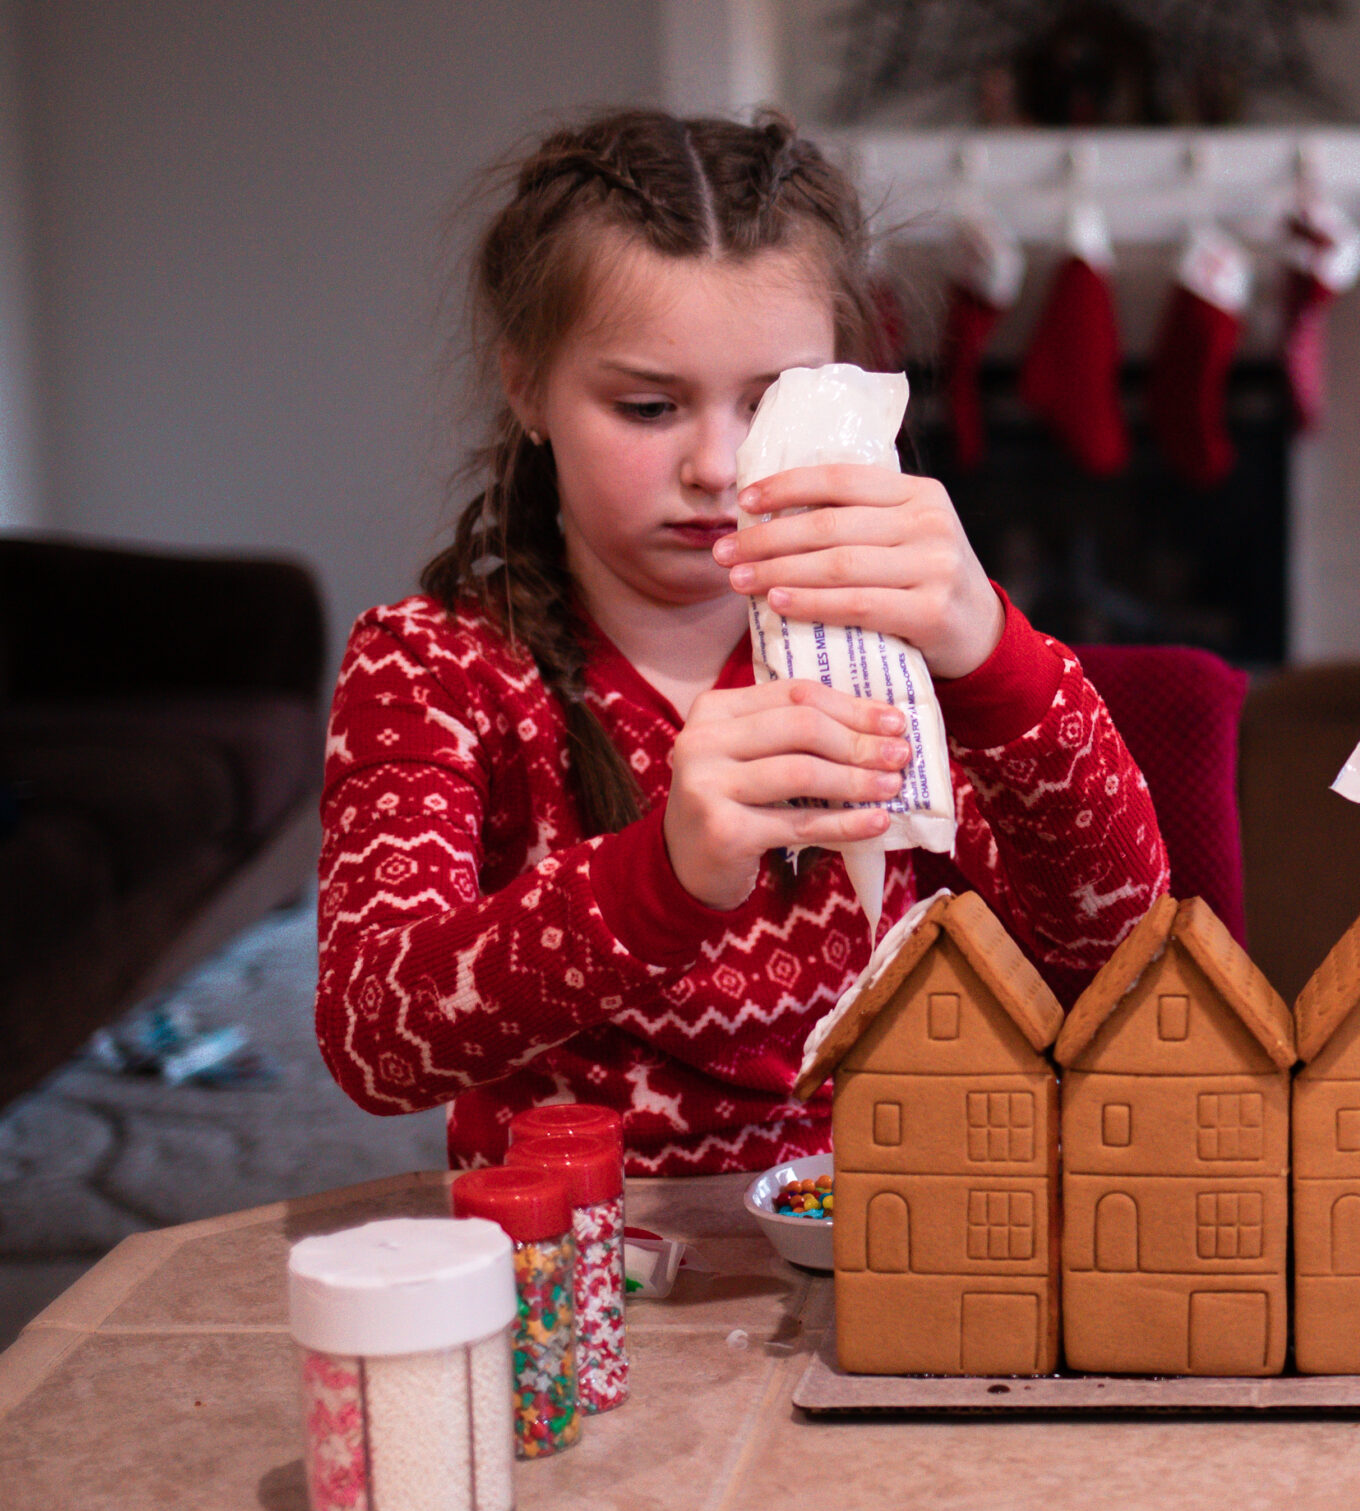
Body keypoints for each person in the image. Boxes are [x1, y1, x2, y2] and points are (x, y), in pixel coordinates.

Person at [317, 110, 1169, 1174]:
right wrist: (663, 874)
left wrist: (996, 653)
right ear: (527, 386)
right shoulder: (433, 665)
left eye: (772, 402)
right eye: (646, 406)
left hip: (863, 1227)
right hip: (574, 1256)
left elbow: (1118, 948)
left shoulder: (886, 645)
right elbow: (373, 1041)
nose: (717, 467)